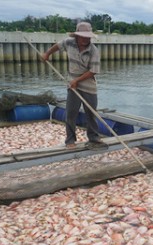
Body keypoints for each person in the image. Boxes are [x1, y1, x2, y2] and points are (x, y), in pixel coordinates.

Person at [42, 22, 107, 150]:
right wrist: (47, 54)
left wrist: (78, 80)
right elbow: (57, 46)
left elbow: (93, 71)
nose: (85, 39)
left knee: (91, 112)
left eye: (88, 37)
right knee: (71, 113)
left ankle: (93, 137)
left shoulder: (94, 50)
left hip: (88, 84)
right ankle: (70, 140)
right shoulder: (69, 42)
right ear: (77, 36)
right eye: (83, 36)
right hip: (73, 84)